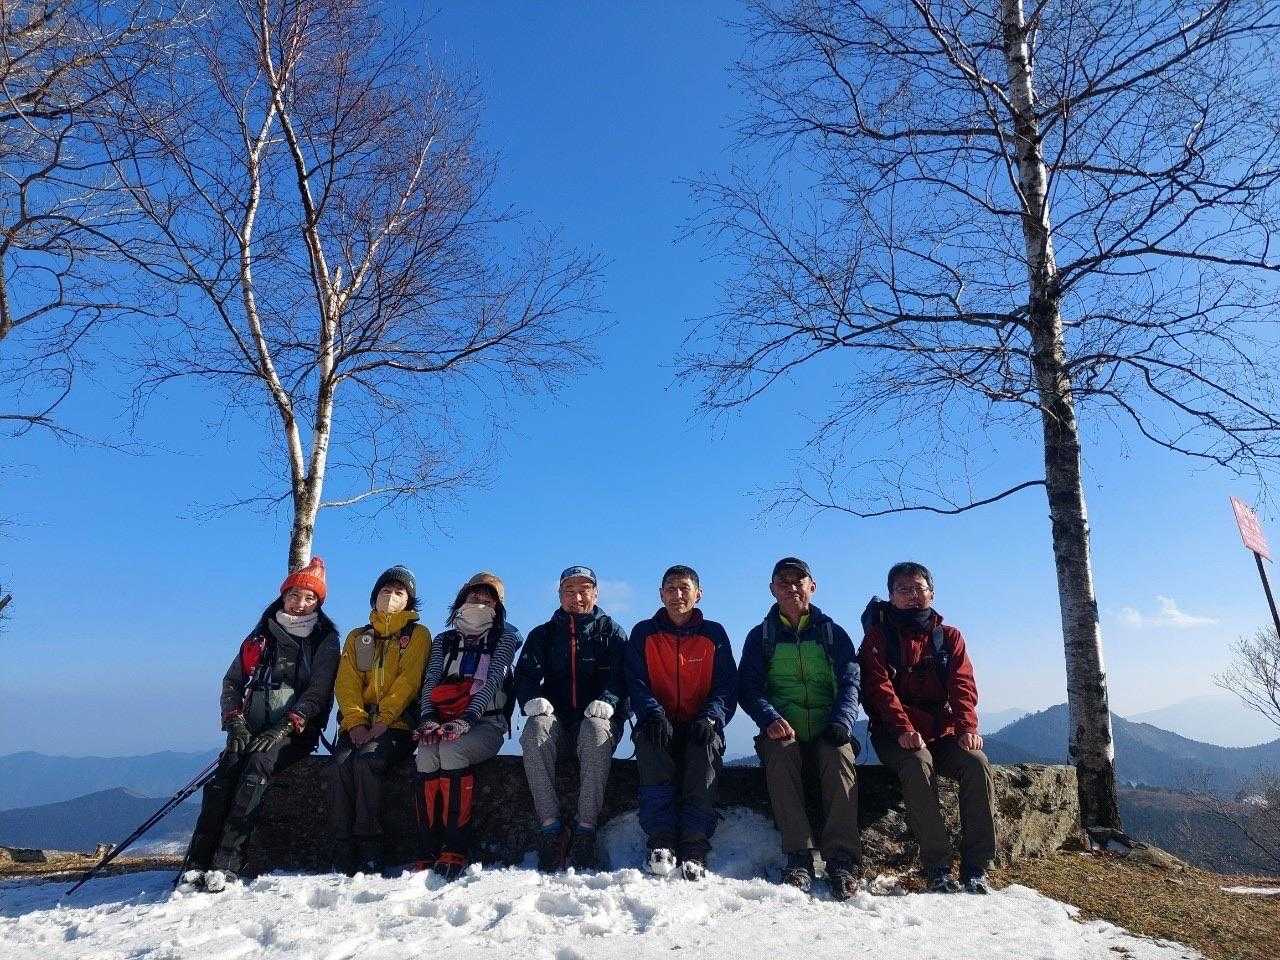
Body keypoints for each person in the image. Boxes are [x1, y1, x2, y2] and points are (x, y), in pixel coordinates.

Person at [182, 556, 340, 892]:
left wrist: (287, 726)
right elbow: (233, 681)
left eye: (309, 598)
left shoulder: (324, 639)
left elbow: (318, 692)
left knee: (256, 769)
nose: (300, 603)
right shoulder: (261, 634)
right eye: (294, 595)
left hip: (295, 731)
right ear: (283, 596)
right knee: (227, 771)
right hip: (250, 725)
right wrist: (234, 721)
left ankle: (227, 862)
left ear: (318, 603)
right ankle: (196, 862)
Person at [859, 561, 996, 894]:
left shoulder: (948, 637)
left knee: (976, 763)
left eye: (918, 588)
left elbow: (962, 684)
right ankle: (938, 865)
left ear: (931, 594)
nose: (911, 595)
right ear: (890, 596)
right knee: (918, 763)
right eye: (902, 589)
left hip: (942, 732)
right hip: (894, 733)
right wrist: (903, 728)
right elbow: (879, 689)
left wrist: (967, 727)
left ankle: (977, 865)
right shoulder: (877, 638)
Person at [738, 557, 863, 898]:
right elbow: (748, 687)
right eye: (783, 581)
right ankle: (799, 856)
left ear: (812, 586)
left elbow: (851, 681)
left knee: (839, 758)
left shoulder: (832, 633)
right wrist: (770, 719)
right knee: (779, 757)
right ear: (772, 589)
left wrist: (841, 721)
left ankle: (842, 860)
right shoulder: (760, 637)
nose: (791, 587)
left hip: (829, 726)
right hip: (783, 727)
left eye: (799, 580)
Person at [624, 564, 737, 880]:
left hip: (700, 721)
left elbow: (727, 684)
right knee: (651, 746)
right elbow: (635, 679)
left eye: (684, 588)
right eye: (670, 589)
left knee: (704, 756)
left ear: (698, 594)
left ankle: (694, 845)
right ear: (661, 594)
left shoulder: (713, 634)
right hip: (658, 721)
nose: (677, 595)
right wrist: (652, 712)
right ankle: (661, 840)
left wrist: (711, 717)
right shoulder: (644, 632)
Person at [514, 565, 628, 872]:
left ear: (596, 593)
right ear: (559, 595)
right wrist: (530, 699)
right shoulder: (543, 635)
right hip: (558, 723)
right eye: (569, 591)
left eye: (584, 590)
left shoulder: (612, 632)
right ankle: (551, 829)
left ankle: (585, 829)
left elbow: (623, 676)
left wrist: (609, 701)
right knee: (535, 729)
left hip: (598, 721)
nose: (577, 597)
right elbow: (524, 676)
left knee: (595, 731)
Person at [413, 572, 523, 880]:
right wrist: (428, 718)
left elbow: (493, 681)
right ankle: (427, 847)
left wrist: (467, 720)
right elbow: (431, 681)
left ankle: (455, 846)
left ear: (499, 606)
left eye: (489, 599)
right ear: (462, 599)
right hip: (442, 721)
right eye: (475, 596)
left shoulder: (505, 638)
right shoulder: (444, 641)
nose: (480, 602)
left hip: (486, 723)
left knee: (452, 752)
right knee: (425, 755)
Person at [328, 565, 431, 875]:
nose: (391, 597)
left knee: (367, 763)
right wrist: (356, 721)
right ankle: (342, 846)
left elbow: (408, 682)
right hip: (357, 724)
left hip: (397, 725)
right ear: (374, 596)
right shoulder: (361, 638)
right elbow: (348, 682)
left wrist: (383, 720)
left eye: (399, 592)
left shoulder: (416, 635)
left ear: (409, 601)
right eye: (386, 590)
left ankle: (370, 844)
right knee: (339, 766)